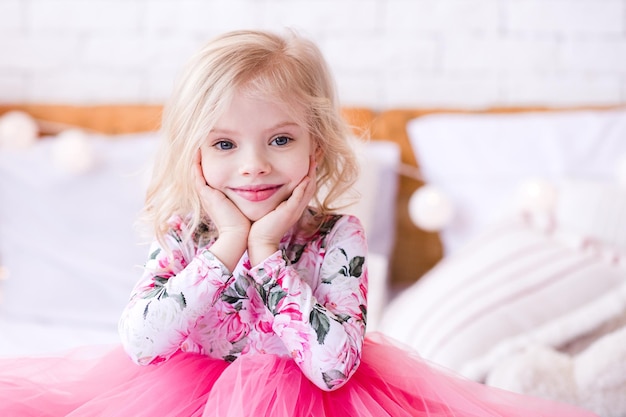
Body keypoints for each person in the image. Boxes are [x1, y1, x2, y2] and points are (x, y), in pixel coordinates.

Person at [0, 29, 599, 417]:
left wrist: (266, 257)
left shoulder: (337, 239)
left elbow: (334, 367)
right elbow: (140, 343)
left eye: (280, 139)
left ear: (318, 145)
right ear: (196, 155)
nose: (254, 164)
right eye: (226, 143)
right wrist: (226, 247)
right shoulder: (187, 236)